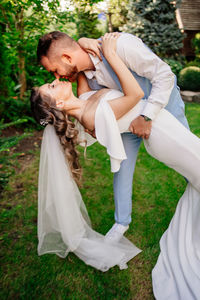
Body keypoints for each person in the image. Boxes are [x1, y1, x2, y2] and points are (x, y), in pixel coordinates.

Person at [31, 35, 200, 297]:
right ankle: (129, 225)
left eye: (53, 72)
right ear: (60, 104)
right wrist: (109, 53)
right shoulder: (89, 116)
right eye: (52, 82)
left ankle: (190, 238)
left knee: (196, 181)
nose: (56, 77)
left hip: (162, 118)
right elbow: (135, 94)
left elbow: (78, 72)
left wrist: (84, 42)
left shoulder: (85, 95)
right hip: (155, 129)